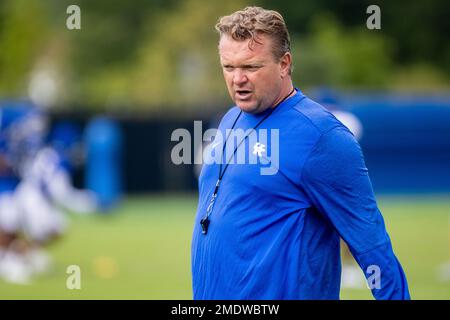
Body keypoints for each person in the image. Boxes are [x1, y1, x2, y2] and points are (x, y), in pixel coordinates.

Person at [191, 6, 410, 299]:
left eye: (251, 67)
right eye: (229, 67)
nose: (237, 79)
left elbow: (372, 245)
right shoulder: (230, 119)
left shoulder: (321, 137)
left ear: (284, 64)